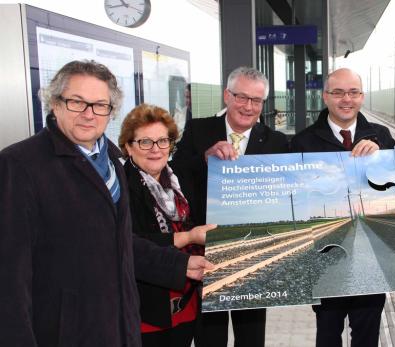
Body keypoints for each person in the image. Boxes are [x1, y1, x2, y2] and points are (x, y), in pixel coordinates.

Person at [0, 60, 212, 346]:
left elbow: (120, 243)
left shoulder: (111, 160)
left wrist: (180, 265)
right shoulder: (21, 165)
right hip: (64, 333)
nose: (89, 114)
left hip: (120, 326)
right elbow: (10, 276)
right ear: (55, 103)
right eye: (77, 102)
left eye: (100, 105)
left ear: (110, 111)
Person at [172, 66, 288, 347]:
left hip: (253, 255)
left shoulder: (277, 143)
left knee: (251, 337)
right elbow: (174, 175)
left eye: (256, 101)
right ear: (227, 95)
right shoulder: (198, 130)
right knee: (209, 337)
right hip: (206, 252)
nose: (248, 107)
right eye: (241, 97)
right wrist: (205, 158)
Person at [290, 67, 395, 347]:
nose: (346, 99)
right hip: (326, 257)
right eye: (338, 93)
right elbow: (295, 200)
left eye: (353, 92)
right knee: (327, 334)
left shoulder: (382, 137)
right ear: (325, 96)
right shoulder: (303, 141)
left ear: (362, 96)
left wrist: (382, 156)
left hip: (371, 257)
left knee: (367, 336)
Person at [119, 104, 216, 346]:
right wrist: (189, 237)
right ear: (129, 146)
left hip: (188, 301)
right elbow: (129, 244)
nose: (156, 150)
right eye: (145, 142)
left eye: (163, 141)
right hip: (150, 311)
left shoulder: (178, 179)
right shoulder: (120, 188)